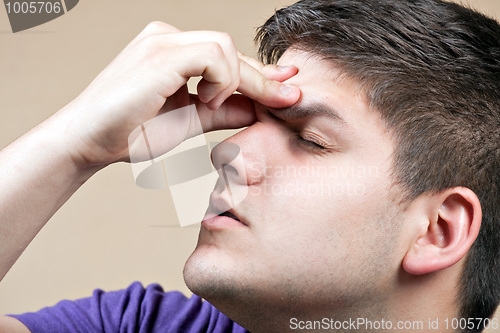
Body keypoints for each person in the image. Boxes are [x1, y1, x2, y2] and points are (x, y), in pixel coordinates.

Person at [1, 0, 499, 331]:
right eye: (255, 120)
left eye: (311, 140)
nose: (227, 150)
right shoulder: (145, 323)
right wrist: (75, 144)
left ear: (438, 229)